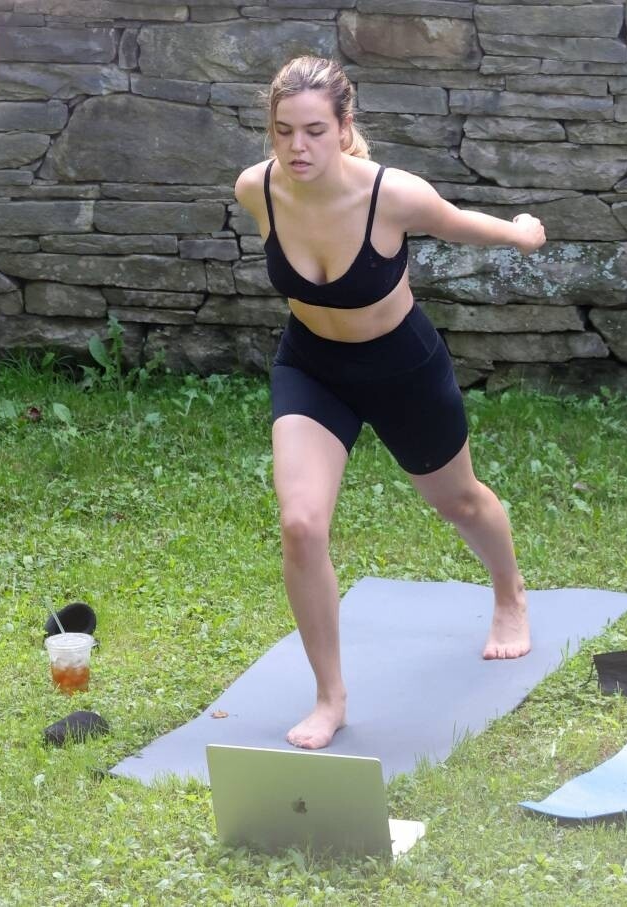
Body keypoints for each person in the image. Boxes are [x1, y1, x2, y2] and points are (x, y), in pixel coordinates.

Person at [233, 56, 546, 750]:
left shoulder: (391, 194)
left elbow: (460, 224)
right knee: (301, 525)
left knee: (460, 501)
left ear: (345, 128)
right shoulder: (256, 189)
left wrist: (522, 232)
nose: (297, 147)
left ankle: (510, 592)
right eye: (284, 131)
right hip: (312, 367)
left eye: (315, 130)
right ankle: (330, 696)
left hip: (401, 366)